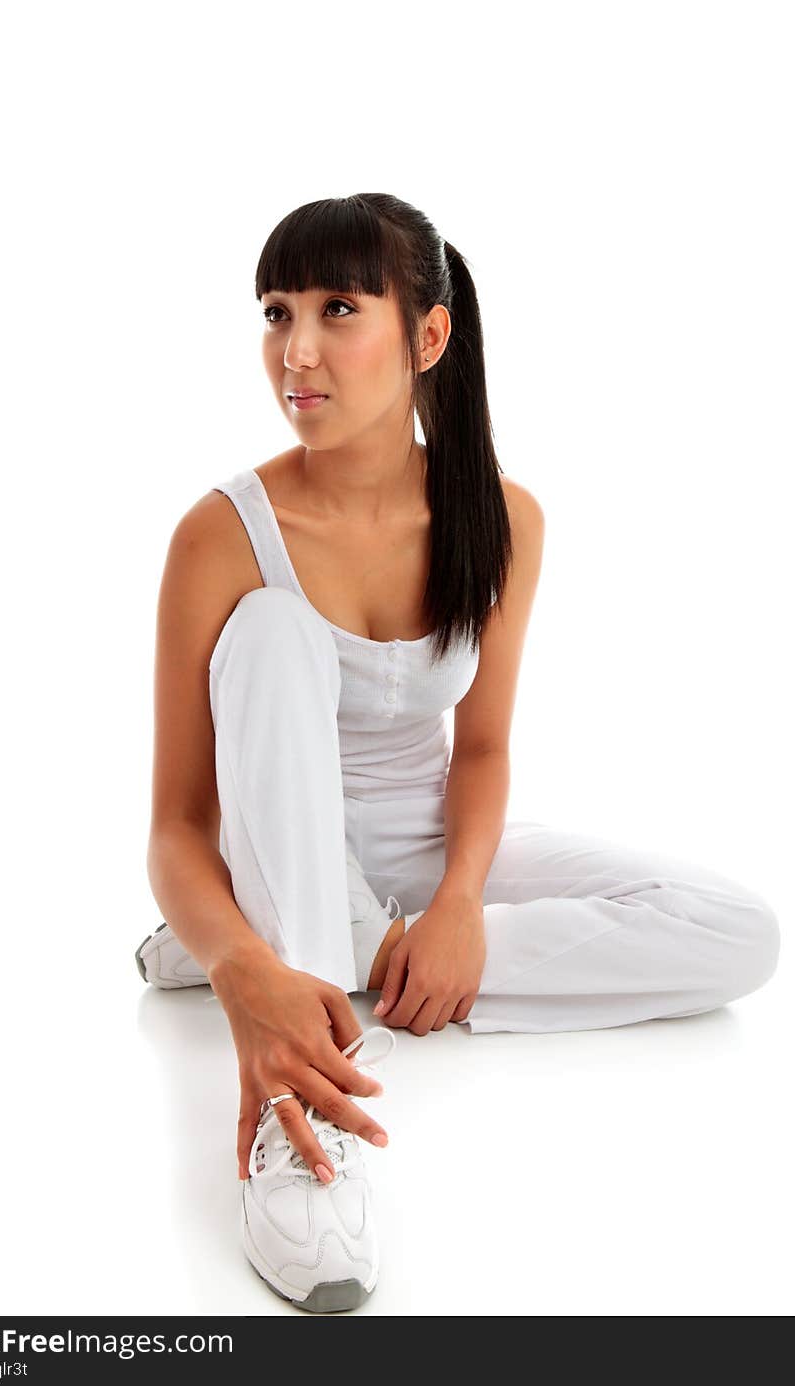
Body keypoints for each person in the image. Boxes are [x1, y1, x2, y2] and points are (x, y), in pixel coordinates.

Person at [137, 193, 780, 1314]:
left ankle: (332, 967)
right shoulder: (220, 535)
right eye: (276, 311)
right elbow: (179, 827)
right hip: (278, 844)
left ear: (427, 336)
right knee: (278, 635)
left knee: (739, 935)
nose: (296, 351)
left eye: (339, 309)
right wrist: (249, 971)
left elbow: (478, 751)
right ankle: (305, 1099)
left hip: (422, 847)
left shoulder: (502, 517)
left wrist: (461, 911)